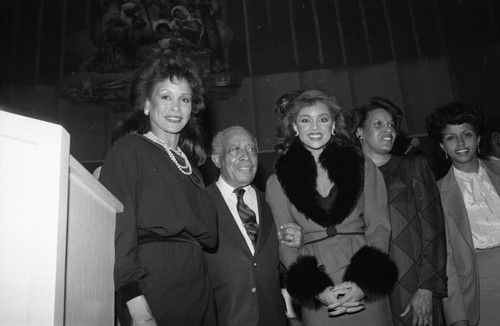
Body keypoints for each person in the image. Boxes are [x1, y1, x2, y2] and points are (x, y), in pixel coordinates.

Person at [99, 53, 217, 326]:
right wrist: (137, 305)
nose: (176, 107)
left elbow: (209, 241)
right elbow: (119, 231)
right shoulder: (130, 150)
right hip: (153, 288)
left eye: (184, 99)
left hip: (198, 291)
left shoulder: (192, 169)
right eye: (165, 97)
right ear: (146, 105)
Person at [265, 89, 398, 326]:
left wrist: (362, 283)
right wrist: (316, 290)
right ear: (295, 127)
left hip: (365, 279)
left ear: (334, 125)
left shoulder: (363, 167)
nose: (315, 127)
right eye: (306, 120)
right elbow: (285, 244)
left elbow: (379, 226)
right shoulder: (278, 181)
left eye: (323, 119)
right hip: (317, 287)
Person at [347, 97, 447, 326]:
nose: (388, 130)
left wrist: (426, 288)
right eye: (379, 124)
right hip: (367, 293)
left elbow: (434, 232)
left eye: (391, 125)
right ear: (360, 132)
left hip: (413, 288)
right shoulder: (347, 180)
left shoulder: (412, 167)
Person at [204, 125, 288, 326]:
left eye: (251, 149)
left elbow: (275, 266)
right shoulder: (200, 204)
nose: (246, 156)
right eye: (235, 150)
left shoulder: (271, 202)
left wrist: (295, 244)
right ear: (217, 159)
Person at [426, 102, 500, 326]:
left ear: (478, 139)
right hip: (479, 286)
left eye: (467, 134)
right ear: (442, 146)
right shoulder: (435, 193)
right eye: (450, 137)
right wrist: (457, 316)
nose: (460, 143)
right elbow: (446, 262)